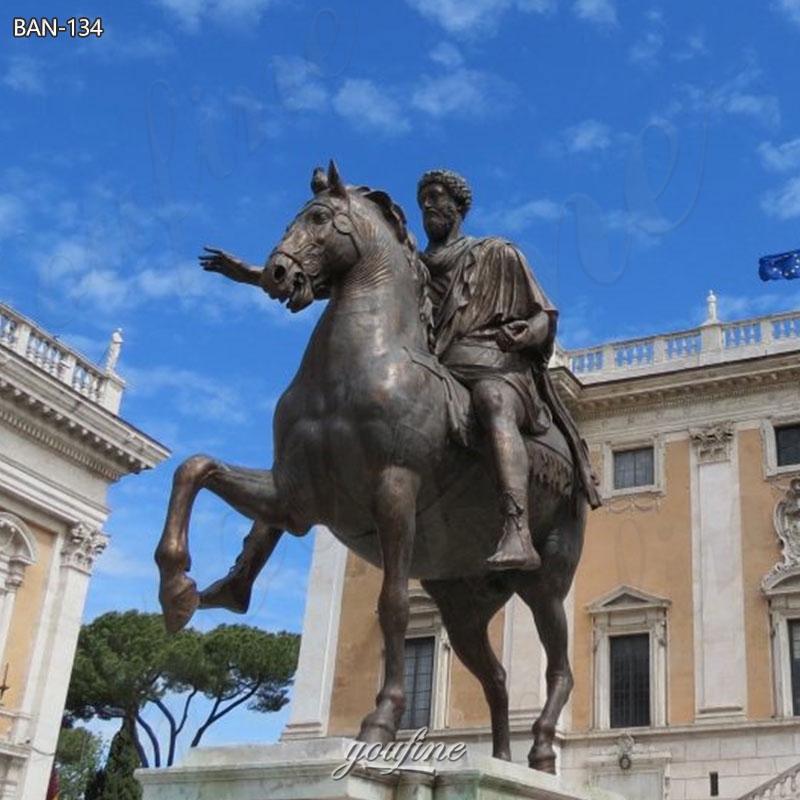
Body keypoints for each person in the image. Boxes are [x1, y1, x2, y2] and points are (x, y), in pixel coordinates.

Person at [417, 169, 600, 570]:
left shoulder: (498, 254)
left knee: (492, 400)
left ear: (458, 206)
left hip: (497, 367)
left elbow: (543, 317)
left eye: (436, 196)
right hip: (437, 369)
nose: (428, 204)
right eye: (423, 199)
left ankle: (516, 528)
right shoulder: (414, 269)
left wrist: (525, 335)